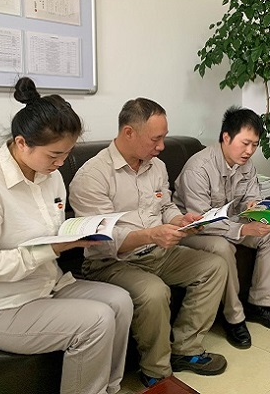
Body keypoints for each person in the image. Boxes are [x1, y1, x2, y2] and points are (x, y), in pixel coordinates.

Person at [0, 77, 134, 394]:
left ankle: (110, 388)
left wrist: (82, 232)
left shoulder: (51, 176)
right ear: (21, 143)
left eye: (67, 154)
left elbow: (51, 232)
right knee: (96, 320)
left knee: (120, 302)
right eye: (54, 155)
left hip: (46, 285)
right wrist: (53, 249)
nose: (60, 164)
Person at [68, 97, 228, 387]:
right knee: (154, 292)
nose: (162, 146)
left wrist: (180, 220)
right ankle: (155, 371)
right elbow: (101, 241)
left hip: (158, 253)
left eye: (164, 138)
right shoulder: (92, 176)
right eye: (156, 139)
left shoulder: (157, 167)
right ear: (129, 132)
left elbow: (165, 206)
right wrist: (152, 234)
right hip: (112, 263)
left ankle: (186, 348)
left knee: (214, 267)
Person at [173, 106, 270, 350]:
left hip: (230, 222)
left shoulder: (246, 164)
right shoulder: (198, 168)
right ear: (226, 137)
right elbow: (203, 221)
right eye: (245, 143)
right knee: (221, 246)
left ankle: (260, 304)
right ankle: (233, 318)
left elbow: (251, 196)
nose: (250, 151)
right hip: (193, 231)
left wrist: (254, 206)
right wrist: (244, 230)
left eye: (255, 145)